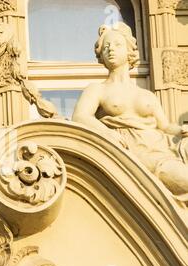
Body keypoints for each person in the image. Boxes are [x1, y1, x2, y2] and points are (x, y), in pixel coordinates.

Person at [72, 22, 188, 202]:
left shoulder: (146, 94)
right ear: (101, 55)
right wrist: (106, 132)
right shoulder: (97, 89)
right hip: (129, 151)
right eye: (106, 47)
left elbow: (164, 126)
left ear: (129, 51)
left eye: (117, 45)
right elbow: (80, 117)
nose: (111, 50)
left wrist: (181, 130)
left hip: (159, 149)